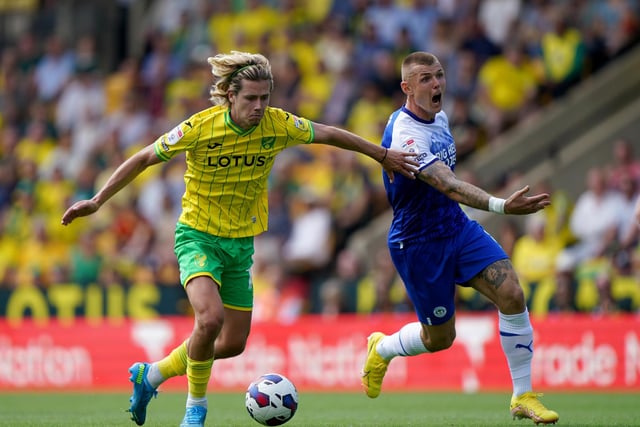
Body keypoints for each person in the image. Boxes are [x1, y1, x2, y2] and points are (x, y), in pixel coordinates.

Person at [61, 51, 418, 427]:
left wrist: (381, 155)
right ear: (230, 96)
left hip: (240, 244)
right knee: (210, 319)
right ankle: (195, 411)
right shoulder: (200, 127)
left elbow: (328, 133)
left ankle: (151, 376)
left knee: (232, 343)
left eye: (265, 98)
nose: (259, 106)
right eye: (251, 98)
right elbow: (145, 157)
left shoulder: (278, 125)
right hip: (197, 237)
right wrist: (98, 201)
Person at [360, 51, 559, 425]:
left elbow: (449, 189)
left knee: (512, 293)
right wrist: (501, 205)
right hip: (417, 243)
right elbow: (447, 184)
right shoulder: (406, 135)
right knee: (440, 339)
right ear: (406, 87)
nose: (436, 84)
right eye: (425, 79)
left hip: (455, 227)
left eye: (439, 75)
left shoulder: (440, 116)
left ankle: (523, 395)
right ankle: (382, 347)